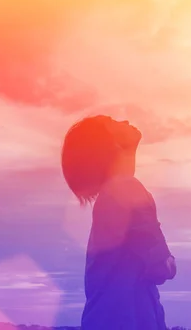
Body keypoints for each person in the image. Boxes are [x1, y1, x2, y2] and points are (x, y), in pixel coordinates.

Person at [61, 115, 177, 330]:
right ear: (110, 145)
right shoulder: (125, 189)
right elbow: (162, 267)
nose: (124, 120)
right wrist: (169, 262)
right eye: (113, 123)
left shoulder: (112, 194)